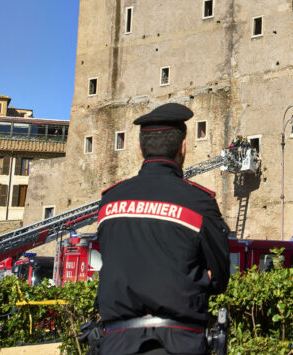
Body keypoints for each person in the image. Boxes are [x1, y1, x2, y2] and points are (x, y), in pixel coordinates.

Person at [97, 102, 230, 354]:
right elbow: (220, 275)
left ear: (139, 148)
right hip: (180, 340)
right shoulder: (199, 202)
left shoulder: (109, 201)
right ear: (183, 147)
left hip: (117, 342)